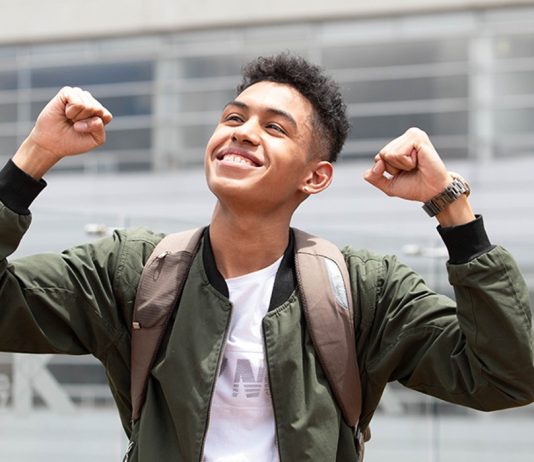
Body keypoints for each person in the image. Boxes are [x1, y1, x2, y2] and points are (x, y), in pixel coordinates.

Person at [0, 53, 533, 462]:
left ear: (315, 176)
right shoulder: (134, 270)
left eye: (275, 127)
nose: (243, 132)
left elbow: (506, 375)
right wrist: (33, 158)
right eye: (234, 117)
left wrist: (453, 210)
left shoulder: (364, 288)